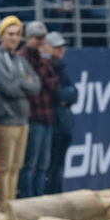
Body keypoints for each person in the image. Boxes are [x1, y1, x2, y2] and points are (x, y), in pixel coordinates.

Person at [0, 16, 39, 207]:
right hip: (5, 120)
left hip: (21, 120)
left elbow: (36, 86)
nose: (14, 38)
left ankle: (11, 205)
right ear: (2, 35)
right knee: (4, 168)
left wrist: (19, 82)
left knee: (16, 167)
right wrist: (24, 82)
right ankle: (2, 206)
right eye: (10, 34)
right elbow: (9, 88)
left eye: (17, 34)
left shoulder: (20, 60)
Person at [18, 20, 59, 199]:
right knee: (29, 164)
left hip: (46, 115)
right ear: (28, 38)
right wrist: (40, 77)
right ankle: (28, 198)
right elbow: (37, 83)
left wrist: (40, 75)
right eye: (37, 38)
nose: (41, 42)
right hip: (32, 117)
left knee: (43, 165)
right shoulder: (22, 58)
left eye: (43, 38)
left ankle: (39, 198)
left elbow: (53, 83)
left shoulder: (44, 59)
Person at [44, 31, 76, 195]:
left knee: (58, 167)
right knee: (50, 167)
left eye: (61, 47)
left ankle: (56, 196)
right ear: (47, 48)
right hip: (53, 124)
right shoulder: (47, 67)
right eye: (57, 47)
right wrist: (64, 97)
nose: (60, 51)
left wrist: (64, 97)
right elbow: (56, 94)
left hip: (63, 125)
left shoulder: (61, 68)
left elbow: (74, 94)